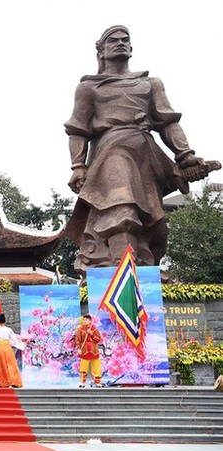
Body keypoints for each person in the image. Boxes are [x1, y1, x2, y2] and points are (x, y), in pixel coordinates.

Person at [64, 25, 220, 274]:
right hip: (111, 151)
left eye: (125, 40)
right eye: (113, 40)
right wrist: (78, 166)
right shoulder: (89, 87)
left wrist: (185, 155)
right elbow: (78, 130)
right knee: (121, 206)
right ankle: (122, 270)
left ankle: (142, 262)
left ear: (132, 48)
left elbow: (168, 122)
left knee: (151, 222)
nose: (120, 43)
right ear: (101, 51)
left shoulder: (150, 83)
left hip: (146, 154)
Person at [0, 314, 24, 388]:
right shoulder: (9, 329)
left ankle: (4, 382)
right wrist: (21, 344)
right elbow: (14, 340)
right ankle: (15, 382)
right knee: (11, 364)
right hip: (7, 347)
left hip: (0, 348)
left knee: (1, 365)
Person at [74, 314, 103, 388]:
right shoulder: (80, 329)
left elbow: (98, 339)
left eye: (86, 320)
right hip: (84, 349)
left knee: (96, 366)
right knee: (83, 366)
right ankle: (83, 382)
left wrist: (91, 334)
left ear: (90, 320)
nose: (84, 321)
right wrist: (79, 348)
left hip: (94, 349)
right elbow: (77, 340)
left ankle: (97, 382)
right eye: (83, 320)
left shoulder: (94, 329)